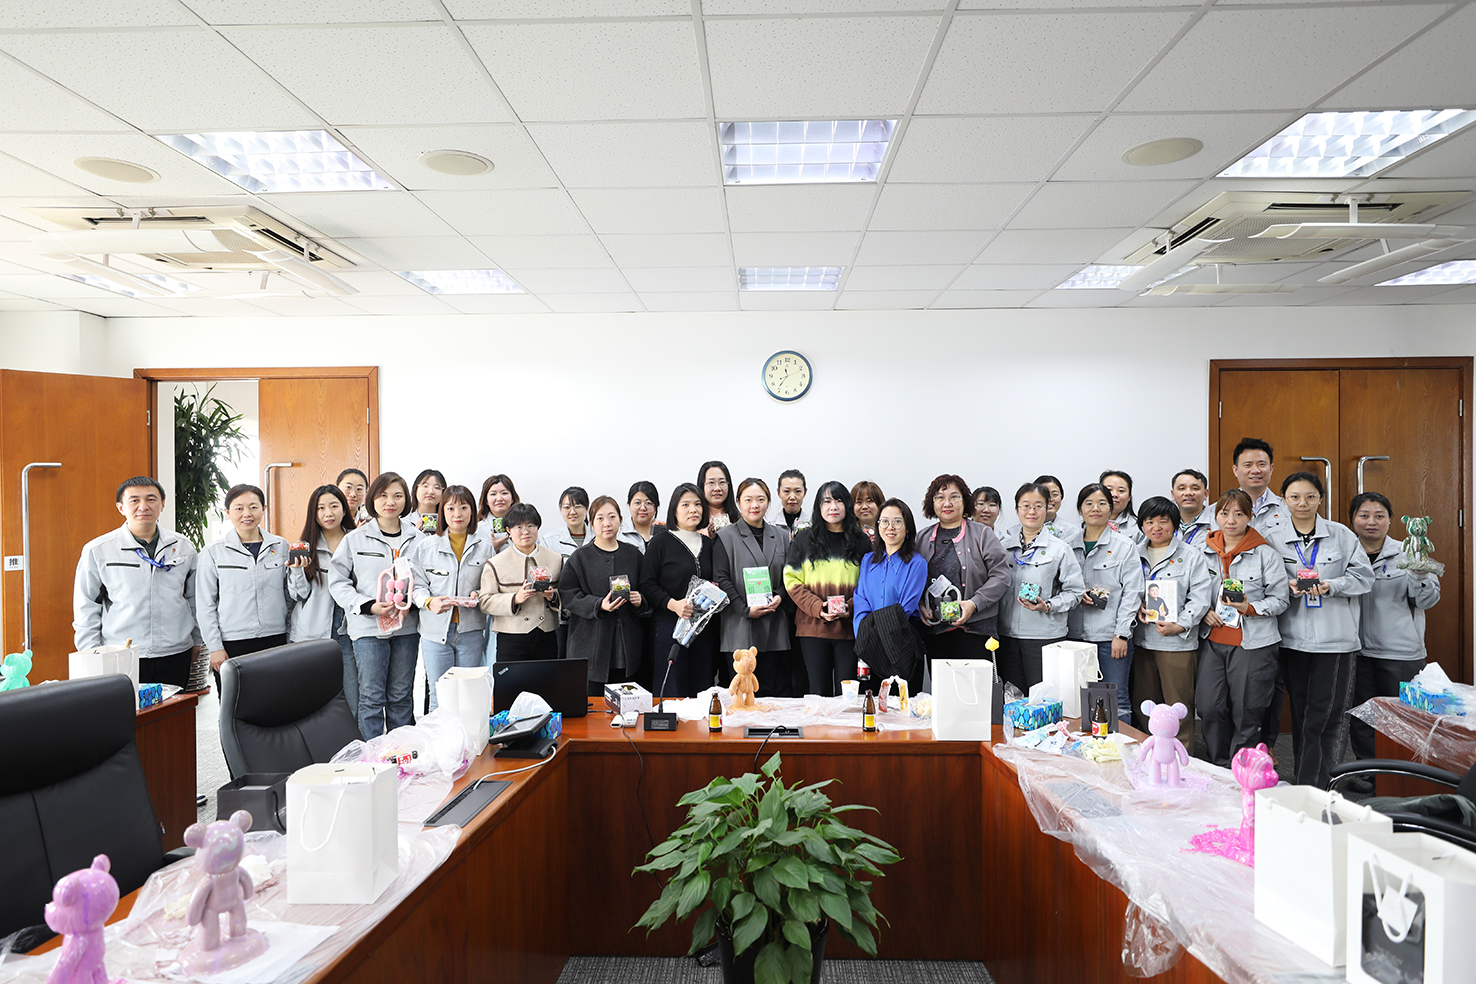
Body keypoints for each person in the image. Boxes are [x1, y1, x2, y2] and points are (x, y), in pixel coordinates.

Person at [1266, 471, 1372, 787]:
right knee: (1302, 714)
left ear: (1320, 499)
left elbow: (1364, 578)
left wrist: (1332, 586)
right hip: (1292, 640)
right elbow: (1264, 580)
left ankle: (1320, 785)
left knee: (1327, 717)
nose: (1302, 503)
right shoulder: (1272, 538)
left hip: (1334, 640)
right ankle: (1306, 779)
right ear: (1284, 500)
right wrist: (1286, 586)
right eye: (1295, 497)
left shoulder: (1341, 535)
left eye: (1310, 496)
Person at [74, 476, 202, 689]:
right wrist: (91, 653)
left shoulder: (183, 547)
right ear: (121, 507)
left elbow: (195, 598)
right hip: (121, 653)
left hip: (175, 651)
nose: (143, 506)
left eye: (151, 499)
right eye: (134, 500)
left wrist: (197, 640)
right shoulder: (99, 550)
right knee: (124, 709)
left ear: (162, 504)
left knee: (173, 709)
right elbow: (86, 606)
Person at [1196, 489, 1289, 768]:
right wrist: (1203, 612)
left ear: (1250, 517)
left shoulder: (1265, 554)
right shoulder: (1202, 551)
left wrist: (1251, 607)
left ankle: (1243, 770)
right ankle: (1219, 764)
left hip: (1253, 643)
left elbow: (1281, 599)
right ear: (1215, 516)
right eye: (1224, 513)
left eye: (1239, 514)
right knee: (1209, 706)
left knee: (1247, 710)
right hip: (1213, 640)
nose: (1231, 520)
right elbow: (1192, 590)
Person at [1349, 492, 1441, 765]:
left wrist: (1420, 576)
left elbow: (1427, 600)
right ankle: (1367, 772)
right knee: (1362, 717)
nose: (1371, 522)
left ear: (1390, 520)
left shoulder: (1410, 552)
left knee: (1403, 718)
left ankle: (1401, 776)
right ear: (1352, 520)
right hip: (1356, 650)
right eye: (1364, 515)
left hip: (1400, 653)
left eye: (1379, 516)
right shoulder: (1344, 553)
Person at [328, 471, 421, 739]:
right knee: (371, 697)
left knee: (401, 695)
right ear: (372, 499)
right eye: (383, 495)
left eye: (397, 495)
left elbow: (425, 580)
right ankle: (371, 757)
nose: (390, 502)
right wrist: (367, 605)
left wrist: (413, 603)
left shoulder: (418, 539)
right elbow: (338, 582)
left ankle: (401, 753)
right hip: (368, 628)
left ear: (406, 500)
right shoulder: (355, 539)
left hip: (406, 628)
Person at [196, 483, 297, 693]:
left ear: (263, 509)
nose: (247, 514)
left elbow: (290, 597)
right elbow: (205, 604)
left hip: (275, 638)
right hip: (233, 642)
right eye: (239, 508)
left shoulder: (281, 546)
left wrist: (289, 636)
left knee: (277, 701)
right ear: (228, 512)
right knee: (235, 704)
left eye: (253, 507)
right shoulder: (213, 552)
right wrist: (215, 647)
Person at [1131, 495, 1216, 747]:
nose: (1156, 527)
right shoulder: (1133, 553)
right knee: (1144, 703)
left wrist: (1181, 624)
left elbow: (1200, 596)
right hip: (1142, 640)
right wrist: (1138, 606)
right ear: (1142, 525)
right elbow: (1127, 589)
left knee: (1178, 705)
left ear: (1175, 524)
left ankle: (1183, 757)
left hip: (1177, 642)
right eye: (1149, 522)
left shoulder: (1191, 555)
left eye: (1163, 521)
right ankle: (1151, 754)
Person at [783, 481, 871, 697]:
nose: (833, 507)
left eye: (839, 501)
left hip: (850, 629)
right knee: (818, 693)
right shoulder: (804, 539)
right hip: (812, 628)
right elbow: (792, 581)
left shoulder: (861, 541)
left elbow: (869, 584)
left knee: (848, 694)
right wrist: (818, 607)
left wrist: (849, 607)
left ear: (847, 506)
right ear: (818, 506)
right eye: (827, 501)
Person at [915, 474, 1010, 669]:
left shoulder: (982, 533)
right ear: (932, 503)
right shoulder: (921, 538)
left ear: (965, 501)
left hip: (976, 628)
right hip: (935, 630)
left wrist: (974, 603)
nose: (947, 503)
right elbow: (912, 580)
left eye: (954, 497)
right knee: (942, 685)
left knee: (974, 685)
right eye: (940, 498)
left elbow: (1001, 575)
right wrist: (920, 605)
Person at [996, 482, 1084, 691]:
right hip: (1007, 635)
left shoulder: (1060, 549)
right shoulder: (1002, 547)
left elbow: (1075, 592)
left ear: (1047, 508)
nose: (1031, 511)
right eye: (1026, 506)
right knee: (1012, 696)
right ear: (1017, 509)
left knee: (1043, 697)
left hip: (1044, 636)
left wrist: (1049, 605)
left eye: (1038, 506)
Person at [410, 485, 491, 709]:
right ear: (442, 512)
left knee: (468, 696)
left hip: (471, 632)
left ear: (472, 511)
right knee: (439, 696)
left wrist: (479, 594)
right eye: (451, 508)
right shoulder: (426, 546)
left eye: (464, 507)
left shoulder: (484, 548)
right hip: (435, 633)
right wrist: (429, 602)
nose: (457, 514)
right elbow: (416, 586)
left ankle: (466, 735)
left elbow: (490, 585)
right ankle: (441, 734)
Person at [1069, 483, 1142, 725]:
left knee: (1116, 699)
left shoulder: (1124, 546)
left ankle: (1120, 747)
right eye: (1088, 503)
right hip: (1074, 638)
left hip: (1110, 637)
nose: (1095, 508)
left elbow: (1133, 592)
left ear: (1111, 509)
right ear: (1080, 509)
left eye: (1102, 503)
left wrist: (1121, 634)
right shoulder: (1067, 545)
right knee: (1078, 700)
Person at [713, 477, 793, 697]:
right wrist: (744, 609)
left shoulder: (782, 536)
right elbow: (721, 578)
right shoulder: (725, 536)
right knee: (742, 693)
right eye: (748, 500)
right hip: (739, 624)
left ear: (768, 501)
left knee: (772, 694)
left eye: (760, 499)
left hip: (774, 623)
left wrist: (780, 596)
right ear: (738, 502)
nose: (754, 505)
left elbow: (791, 575)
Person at [561, 496, 646, 695]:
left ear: (620, 520)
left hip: (626, 641)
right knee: (594, 703)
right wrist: (598, 604)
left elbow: (648, 589)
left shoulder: (633, 554)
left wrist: (641, 600)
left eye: (612, 517)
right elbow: (568, 595)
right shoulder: (580, 557)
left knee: (627, 698)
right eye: (600, 518)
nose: (606, 523)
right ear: (591, 523)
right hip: (590, 643)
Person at [640, 483, 718, 697]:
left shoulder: (709, 544)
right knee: (671, 691)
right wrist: (672, 604)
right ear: (674, 509)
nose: (693, 509)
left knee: (702, 691)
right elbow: (647, 583)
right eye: (685, 505)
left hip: (703, 630)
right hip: (669, 628)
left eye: (698, 504)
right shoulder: (660, 542)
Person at [287, 484, 358, 718]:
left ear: (344, 509)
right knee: (313, 699)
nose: (328, 513)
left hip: (350, 629)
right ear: (314, 513)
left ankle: (351, 740)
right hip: (313, 631)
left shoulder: (358, 541)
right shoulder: (304, 546)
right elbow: (299, 595)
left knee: (352, 697)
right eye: (321, 508)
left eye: (334, 506)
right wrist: (297, 570)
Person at [852, 498, 928, 688]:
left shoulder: (917, 563)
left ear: (908, 527)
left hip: (901, 643)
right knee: (871, 701)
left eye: (897, 522)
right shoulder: (868, 560)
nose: (890, 527)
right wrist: (863, 635)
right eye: (884, 521)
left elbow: (905, 608)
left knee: (902, 703)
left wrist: (872, 631)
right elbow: (860, 600)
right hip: (870, 646)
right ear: (878, 526)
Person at [481, 502, 562, 663]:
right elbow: (485, 601)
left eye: (530, 526)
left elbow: (567, 593)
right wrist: (515, 599)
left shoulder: (555, 558)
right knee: (511, 680)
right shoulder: (495, 563)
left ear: (537, 527)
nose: (525, 532)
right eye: (518, 527)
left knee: (547, 679)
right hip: (511, 638)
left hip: (547, 635)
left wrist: (553, 596)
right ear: (508, 530)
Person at [540, 486, 590, 658]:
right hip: (562, 615)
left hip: (593, 611)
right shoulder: (550, 540)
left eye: (578, 506)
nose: (572, 512)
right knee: (563, 660)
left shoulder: (599, 536)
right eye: (567, 507)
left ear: (587, 508)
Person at [477, 472, 519, 664]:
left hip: (516, 597)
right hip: (487, 597)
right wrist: (491, 548)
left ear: (512, 497)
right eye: (493, 494)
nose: (499, 498)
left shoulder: (524, 526)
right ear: (486, 500)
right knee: (487, 653)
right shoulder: (477, 529)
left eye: (504, 493)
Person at [1232, 438, 1288, 532]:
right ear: (1235, 470)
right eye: (1248, 465)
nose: (1255, 471)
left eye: (1261, 464)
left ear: (1271, 469)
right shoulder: (1218, 511)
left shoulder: (1287, 509)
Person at [1171, 468, 1216, 546]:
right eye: (1182, 488)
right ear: (1173, 495)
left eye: (1195, 488)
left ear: (1205, 494)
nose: (1188, 493)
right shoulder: (1165, 523)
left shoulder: (1218, 523)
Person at [1100, 469, 1144, 545]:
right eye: (1109, 489)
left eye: (1121, 491)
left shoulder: (1139, 528)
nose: (1114, 495)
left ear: (1129, 497)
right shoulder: (1085, 525)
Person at [698, 460, 740, 535]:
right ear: (702, 486)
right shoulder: (695, 520)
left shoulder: (740, 520)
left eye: (722, 482)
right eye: (711, 483)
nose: (717, 488)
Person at [619, 481, 661, 553]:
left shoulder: (664, 532)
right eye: (637, 503)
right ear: (629, 504)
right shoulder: (619, 535)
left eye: (648, 503)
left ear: (656, 506)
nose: (643, 508)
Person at [774, 469, 808, 539]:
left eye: (797, 491)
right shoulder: (770, 525)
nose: (792, 497)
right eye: (787, 491)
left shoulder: (813, 525)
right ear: (779, 493)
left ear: (804, 493)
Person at [410, 468, 446, 534]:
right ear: (416, 489)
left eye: (437, 487)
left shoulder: (449, 522)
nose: (430, 491)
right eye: (425, 486)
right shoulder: (403, 522)